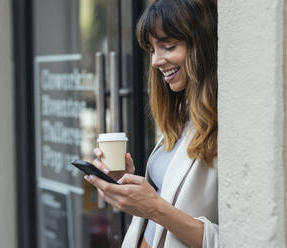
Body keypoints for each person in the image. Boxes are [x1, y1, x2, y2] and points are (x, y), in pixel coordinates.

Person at [84, 0, 218, 247]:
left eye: (168, 46)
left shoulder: (226, 130)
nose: (156, 61)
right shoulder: (184, 119)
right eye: (152, 50)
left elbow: (240, 238)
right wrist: (126, 183)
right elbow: (166, 208)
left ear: (202, 46)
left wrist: (153, 207)